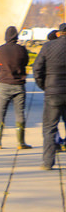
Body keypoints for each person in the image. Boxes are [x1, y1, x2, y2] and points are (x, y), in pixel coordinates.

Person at [33, 23, 66, 170]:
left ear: (59, 33)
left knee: (49, 128)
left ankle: (47, 162)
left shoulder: (48, 47)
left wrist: (44, 86)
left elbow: (37, 69)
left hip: (53, 91)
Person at [0, 26, 31, 149]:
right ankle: (21, 143)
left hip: (3, 85)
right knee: (20, 113)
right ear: (16, 36)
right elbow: (25, 62)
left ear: (6, 36)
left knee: (0, 113)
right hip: (19, 85)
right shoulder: (22, 50)